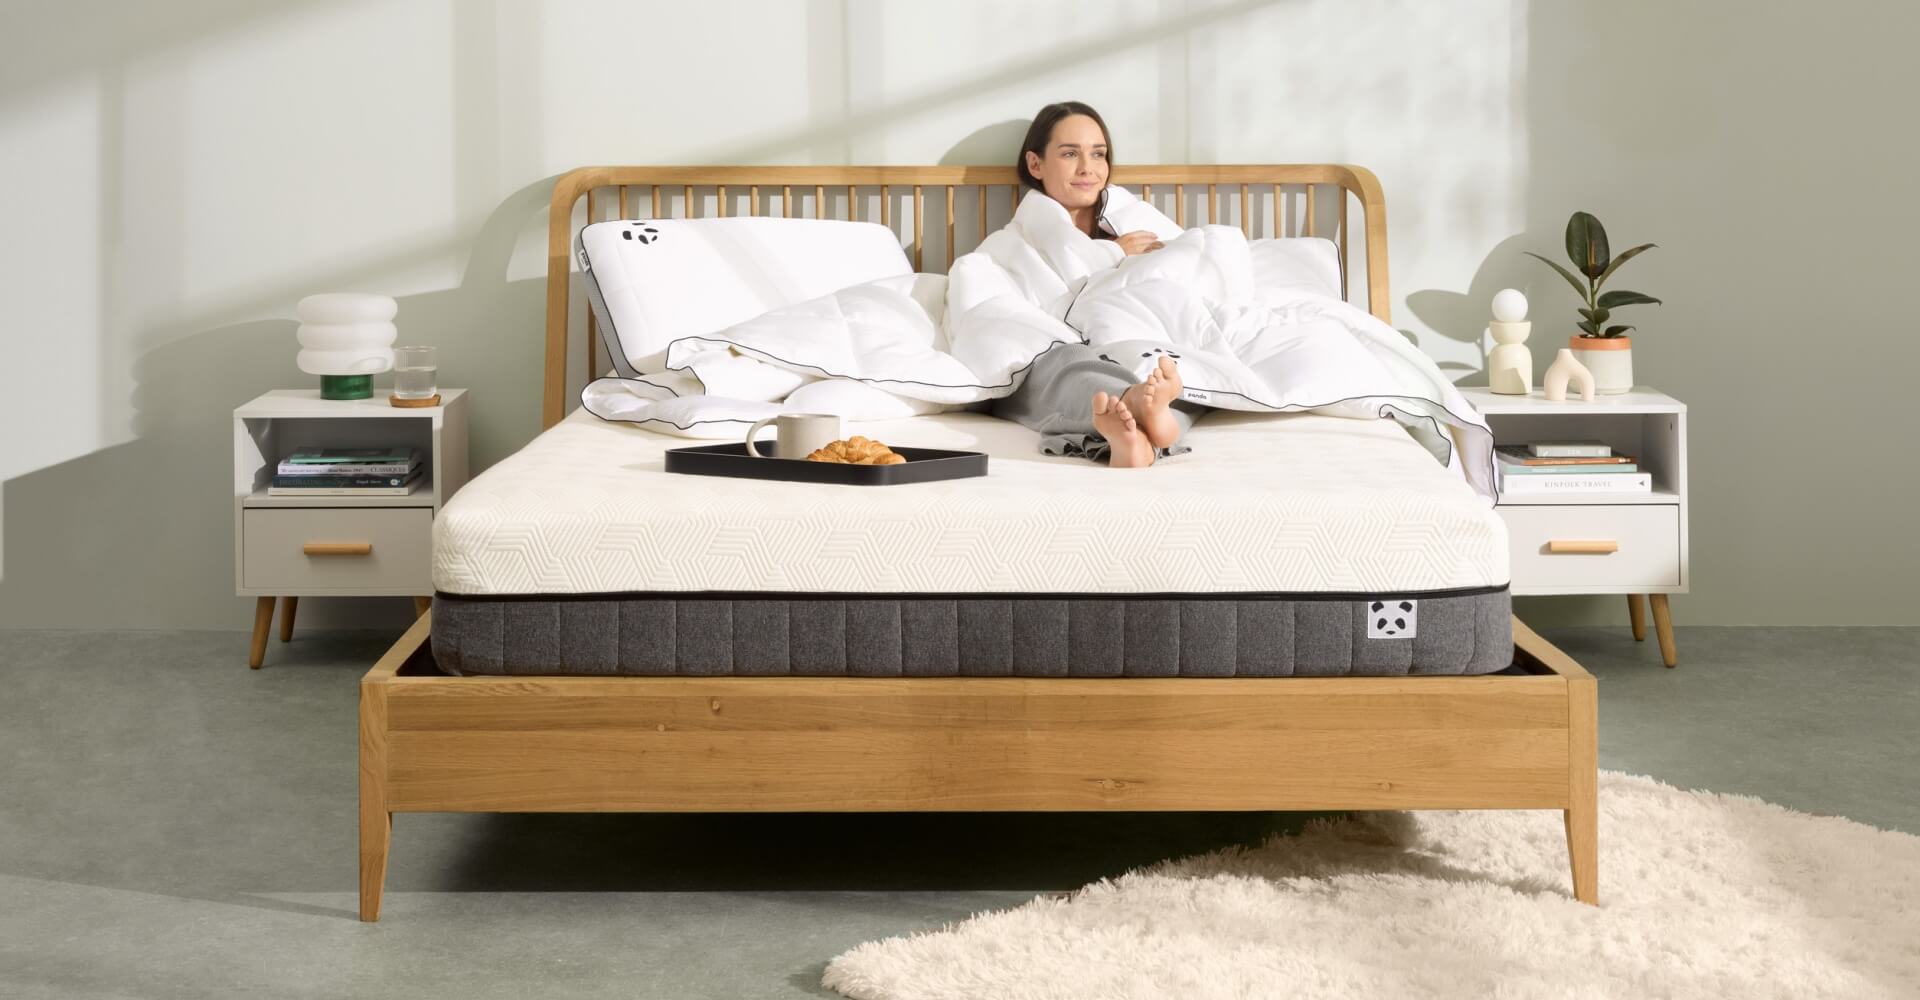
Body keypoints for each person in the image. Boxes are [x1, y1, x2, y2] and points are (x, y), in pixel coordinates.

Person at [989, 101, 1198, 468]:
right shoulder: (1010, 244)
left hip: (1128, 339)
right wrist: (1111, 255)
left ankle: (1139, 432)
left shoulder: (1142, 229)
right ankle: (1135, 411)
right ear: (1035, 164)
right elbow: (992, 310)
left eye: (1098, 154)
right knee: (1068, 362)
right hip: (1059, 350)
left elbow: (1189, 281)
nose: (1088, 168)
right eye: (1070, 154)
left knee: (1176, 367)